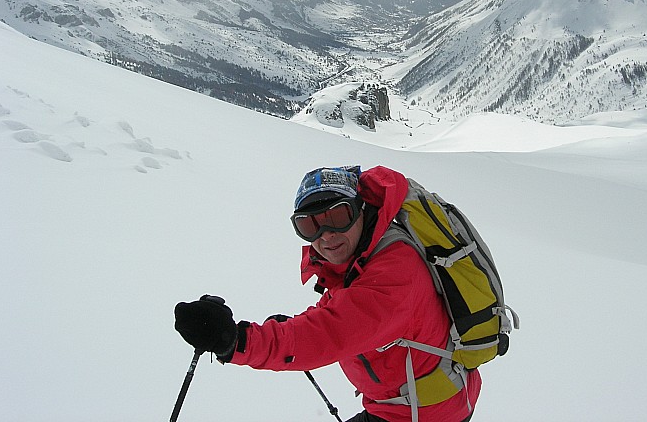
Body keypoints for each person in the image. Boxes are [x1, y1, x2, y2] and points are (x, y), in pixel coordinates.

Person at [174, 165, 481, 422]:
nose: (326, 236)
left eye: (337, 217)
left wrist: (236, 341)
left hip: (424, 414)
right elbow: (337, 308)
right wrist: (288, 327)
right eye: (310, 225)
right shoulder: (365, 254)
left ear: (361, 211)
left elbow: (327, 334)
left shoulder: (394, 273)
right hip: (404, 403)